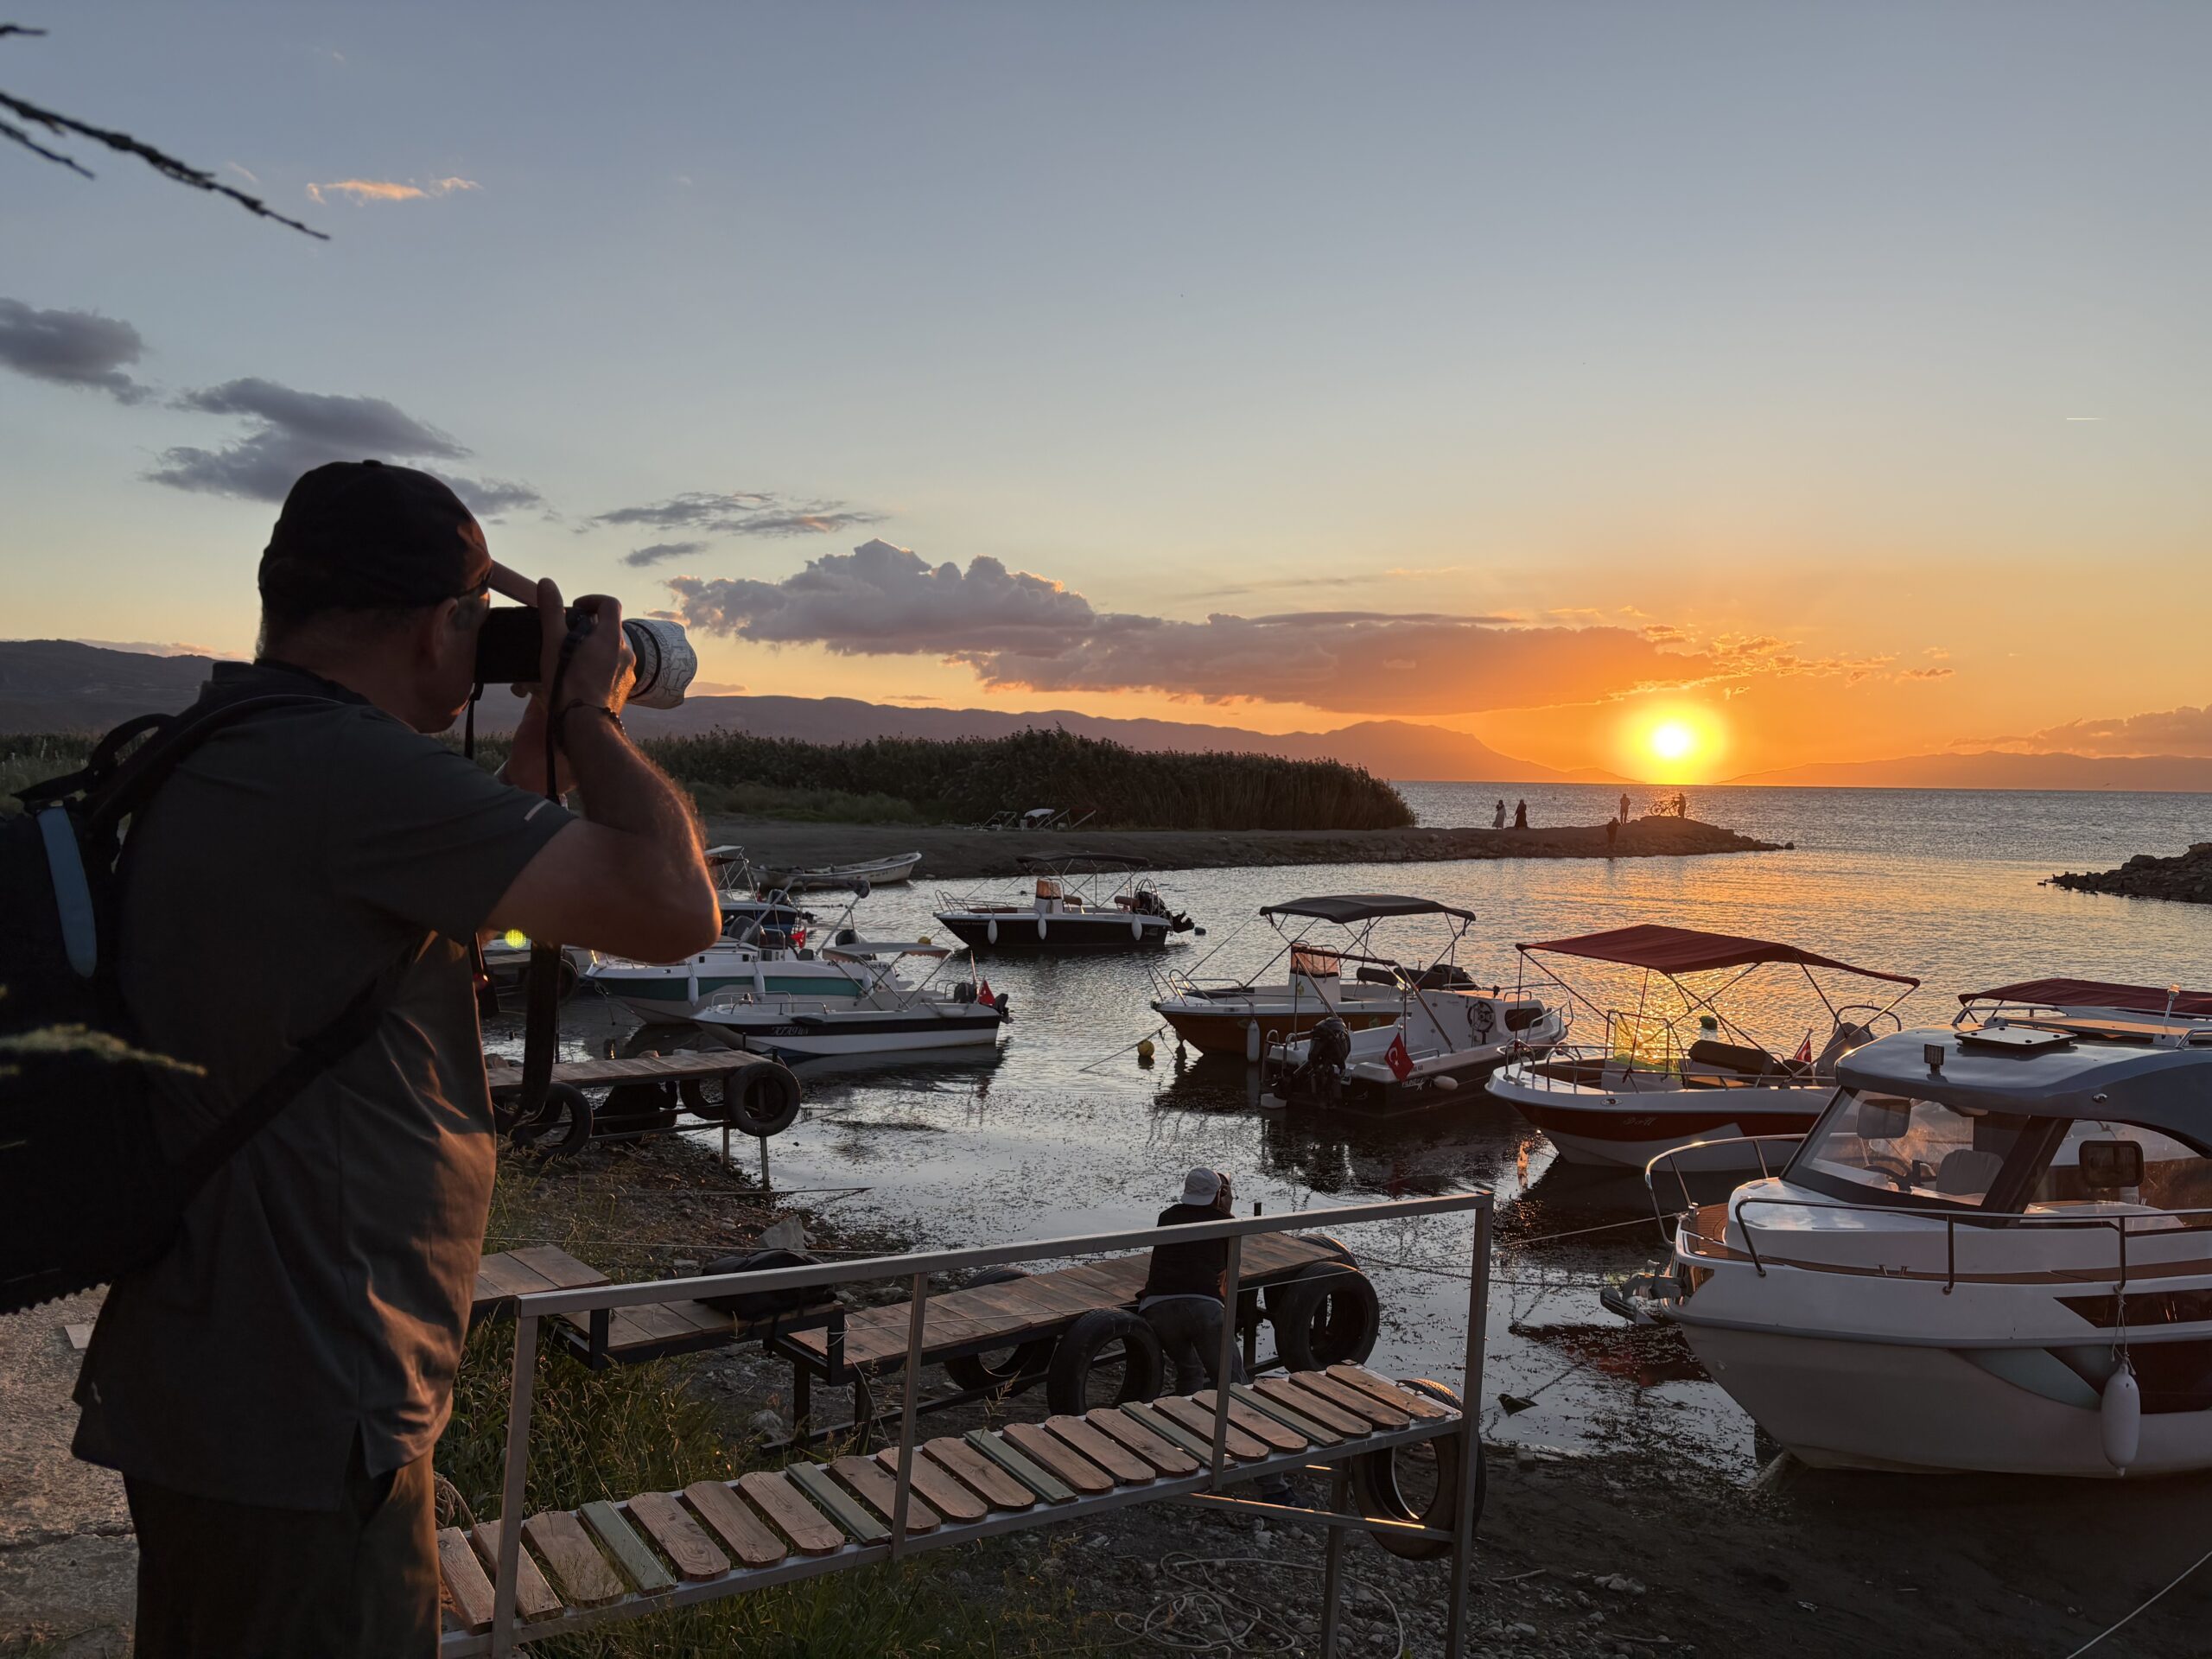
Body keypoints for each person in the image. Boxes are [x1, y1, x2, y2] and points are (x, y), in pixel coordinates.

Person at [72, 461, 721, 1657]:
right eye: (478, 626)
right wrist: (590, 711)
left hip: (224, 1378)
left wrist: (540, 735)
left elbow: (458, 890)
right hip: (306, 1401)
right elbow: (676, 904)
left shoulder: (239, 741)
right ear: (440, 628)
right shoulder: (343, 773)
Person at [1136, 1169, 1299, 1505]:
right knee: (1234, 1387)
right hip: (1203, 1309)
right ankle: (1273, 1485)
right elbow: (1226, 1279)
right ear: (1220, 1195)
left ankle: (1181, 1458)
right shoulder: (1226, 1225)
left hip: (1157, 1309)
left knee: (1190, 1372)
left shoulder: (1167, 1217)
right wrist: (1227, 1212)